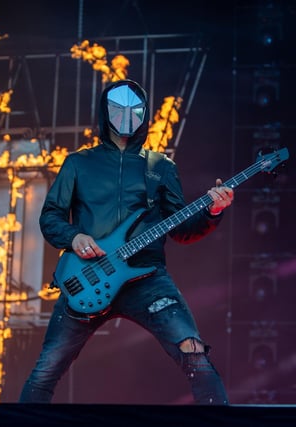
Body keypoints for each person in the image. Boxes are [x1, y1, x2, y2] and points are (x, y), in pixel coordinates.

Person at [19, 79, 233, 405]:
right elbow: (50, 217)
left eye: (134, 111)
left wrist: (213, 212)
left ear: (144, 114)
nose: (125, 117)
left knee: (194, 353)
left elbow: (181, 230)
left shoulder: (160, 167)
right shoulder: (79, 163)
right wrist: (74, 237)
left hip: (147, 279)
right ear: (104, 112)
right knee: (46, 370)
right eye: (117, 110)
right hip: (88, 277)